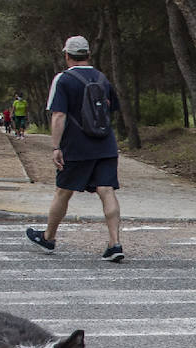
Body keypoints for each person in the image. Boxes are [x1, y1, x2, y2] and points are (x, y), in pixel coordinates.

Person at [26, 35, 126, 262]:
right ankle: (114, 243)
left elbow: (58, 115)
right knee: (106, 190)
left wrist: (56, 147)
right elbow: (111, 110)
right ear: (88, 54)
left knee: (63, 191)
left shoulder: (63, 80)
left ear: (67, 56)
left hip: (76, 146)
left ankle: (48, 237)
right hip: (105, 144)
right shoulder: (102, 78)